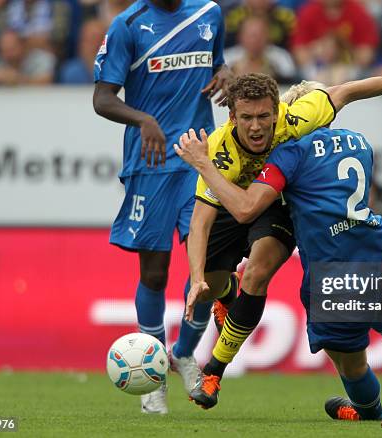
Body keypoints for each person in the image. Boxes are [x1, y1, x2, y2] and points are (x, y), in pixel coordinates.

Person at [175, 62, 382, 410]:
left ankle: (213, 373)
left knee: (258, 271)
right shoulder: (220, 150)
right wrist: (195, 279)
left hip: (271, 203)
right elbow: (201, 221)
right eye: (246, 118)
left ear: (278, 110)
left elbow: (351, 88)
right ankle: (227, 292)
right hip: (231, 195)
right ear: (233, 117)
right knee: (213, 278)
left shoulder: (299, 121)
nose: (255, 126)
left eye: (264, 116)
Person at [91, 0, 232, 415]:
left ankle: (184, 353)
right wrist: (142, 119)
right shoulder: (127, 25)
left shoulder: (209, 13)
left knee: (209, 267)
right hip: (150, 163)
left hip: (199, 158)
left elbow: (217, 65)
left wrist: (223, 73)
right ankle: (152, 376)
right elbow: (102, 98)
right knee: (154, 272)